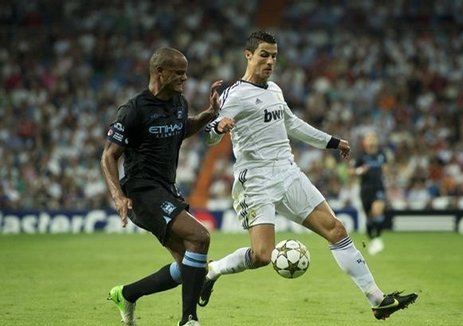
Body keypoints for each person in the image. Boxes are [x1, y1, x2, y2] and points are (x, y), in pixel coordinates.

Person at [199, 30, 417, 320]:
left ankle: (377, 300)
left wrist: (332, 141)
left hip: (288, 173)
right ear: (248, 55)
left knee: (336, 229)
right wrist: (217, 128)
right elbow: (206, 138)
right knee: (263, 256)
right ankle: (213, 271)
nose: (270, 61)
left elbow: (293, 124)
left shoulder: (275, 89)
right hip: (256, 181)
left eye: (274, 56)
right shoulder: (234, 95)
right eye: (264, 54)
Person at [100, 47, 222, 326]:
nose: (185, 77)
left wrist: (210, 114)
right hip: (141, 192)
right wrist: (118, 195)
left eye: (185, 72)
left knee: (189, 267)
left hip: (166, 189)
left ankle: (127, 294)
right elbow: (108, 155)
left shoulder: (179, 102)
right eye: (179, 72)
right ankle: (189, 320)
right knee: (201, 237)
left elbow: (183, 129)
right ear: (160, 72)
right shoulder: (134, 109)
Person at [351, 132, 389, 255]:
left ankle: (377, 238)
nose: (372, 140)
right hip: (365, 189)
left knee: (377, 210)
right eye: (369, 138)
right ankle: (372, 239)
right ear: (365, 142)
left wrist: (387, 172)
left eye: (374, 138)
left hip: (378, 187)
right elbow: (351, 171)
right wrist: (360, 170)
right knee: (368, 216)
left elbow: (386, 168)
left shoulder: (382, 155)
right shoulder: (360, 156)